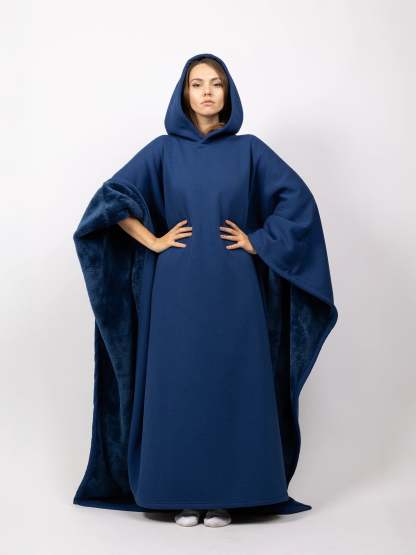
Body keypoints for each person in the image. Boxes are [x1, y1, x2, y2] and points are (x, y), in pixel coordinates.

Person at [72, 52, 338, 528]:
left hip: (236, 288)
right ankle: (181, 495)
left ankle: (226, 497)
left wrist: (259, 240)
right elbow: (110, 200)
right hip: (174, 289)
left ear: (228, 93)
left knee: (232, 382)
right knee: (179, 384)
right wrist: (153, 240)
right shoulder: (162, 151)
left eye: (216, 83)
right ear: (185, 94)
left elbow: (298, 202)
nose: (207, 92)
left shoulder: (250, 151)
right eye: (197, 84)